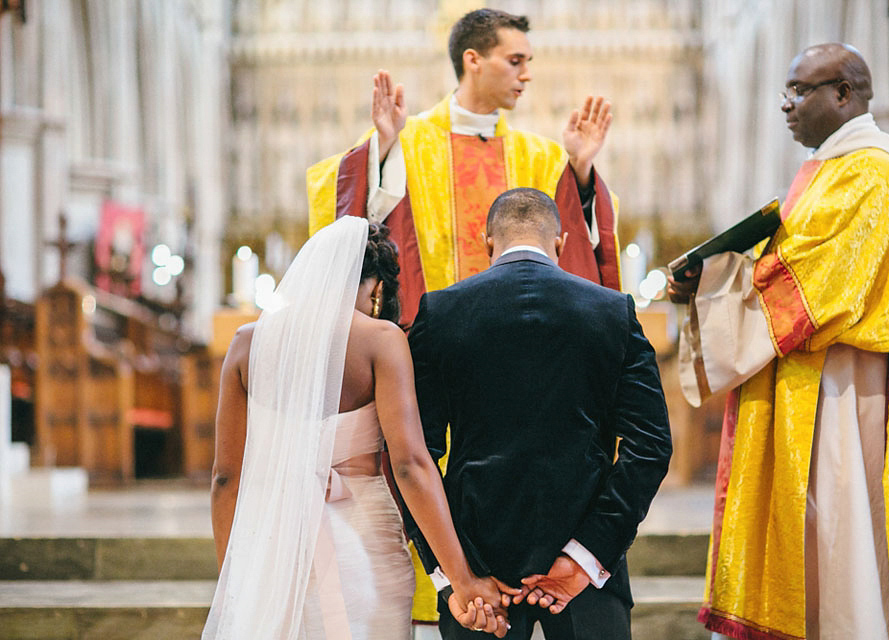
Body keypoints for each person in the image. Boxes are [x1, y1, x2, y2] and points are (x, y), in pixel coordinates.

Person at [668, 43, 889, 639]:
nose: (786, 104)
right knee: (822, 541)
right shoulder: (830, 170)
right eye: (787, 90)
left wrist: (715, 281)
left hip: (842, 392)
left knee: (840, 539)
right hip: (816, 380)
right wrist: (710, 278)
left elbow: (815, 288)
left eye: (800, 91)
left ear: (844, 94)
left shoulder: (870, 173)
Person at [203, 218, 507, 639]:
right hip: (361, 539)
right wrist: (463, 579)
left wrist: (235, 582)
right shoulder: (381, 340)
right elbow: (410, 466)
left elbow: (224, 478)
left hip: (273, 543)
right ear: (376, 287)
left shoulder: (246, 343)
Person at [407, 187, 672, 639]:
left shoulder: (440, 313)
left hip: (479, 568)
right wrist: (585, 556)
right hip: (585, 573)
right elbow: (650, 446)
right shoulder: (612, 312)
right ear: (562, 243)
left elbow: (413, 456)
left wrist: (454, 573)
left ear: (487, 242)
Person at [306, 8, 621, 330]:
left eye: (528, 62)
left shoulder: (541, 155)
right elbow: (350, 217)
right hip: (427, 340)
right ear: (473, 61)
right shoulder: (407, 140)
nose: (526, 74)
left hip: (517, 335)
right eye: (515, 61)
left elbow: (574, 244)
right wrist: (382, 148)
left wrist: (581, 172)